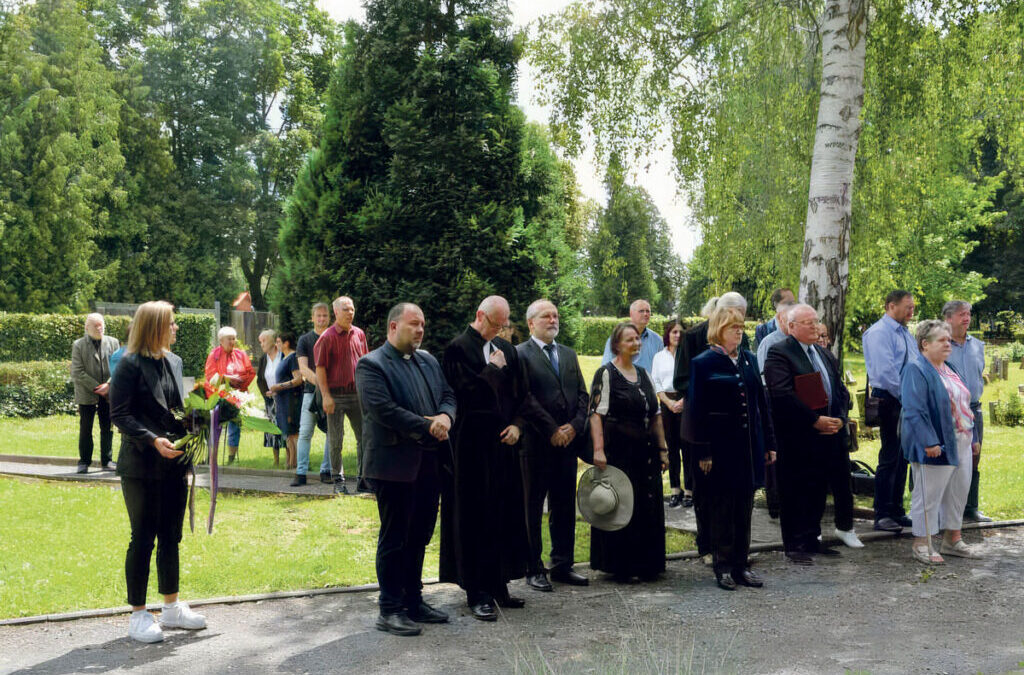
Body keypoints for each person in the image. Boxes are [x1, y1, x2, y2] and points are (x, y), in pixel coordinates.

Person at [440, 296, 546, 621]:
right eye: (495, 323)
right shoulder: (458, 349)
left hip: (504, 447)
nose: (500, 330)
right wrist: (491, 369)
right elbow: (464, 395)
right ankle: (477, 591)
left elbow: (522, 395)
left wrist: (517, 426)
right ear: (480, 316)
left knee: (504, 514)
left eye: (504, 324)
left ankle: (500, 585)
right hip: (472, 449)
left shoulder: (508, 350)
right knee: (475, 518)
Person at [355, 303, 457, 636]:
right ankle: (390, 608)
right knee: (395, 538)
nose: (420, 330)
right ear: (393, 327)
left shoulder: (427, 360)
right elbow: (383, 410)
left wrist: (445, 418)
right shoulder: (371, 365)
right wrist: (428, 426)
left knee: (420, 535)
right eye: (414, 324)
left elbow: (447, 394)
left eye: (423, 325)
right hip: (393, 465)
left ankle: (414, 600)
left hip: (429, 462)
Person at [109, 301, 206, 643]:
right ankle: (137, 614)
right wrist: (153, 441)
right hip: (141, 466)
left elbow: (174, 412)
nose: (176, 328)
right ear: (155, 326)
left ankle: (171, 606)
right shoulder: (128, 364)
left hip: (174, 464)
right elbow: (120, 414)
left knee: (171, 536)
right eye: (172, 323)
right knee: (143, 538)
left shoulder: (174, 362)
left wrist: (207, 417)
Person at [689, 306, 775, 590]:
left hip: (748, 449)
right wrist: (703, 451)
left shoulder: (749, 360)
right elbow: (696, 410)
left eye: (740, 327)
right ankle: (722, 566)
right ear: (718, 330)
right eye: (732, 327)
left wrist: (769, 444)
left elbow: (761, 406)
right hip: (720, 449)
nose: (739, 332)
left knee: (744, 509)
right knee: (722, 510)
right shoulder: (703, 363)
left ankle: (741, 565)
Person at [764, 304, 857, 565]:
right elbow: (782, 394)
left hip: (829, 433)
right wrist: (814, 420)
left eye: (816, 322)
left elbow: (839, 390)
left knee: (818, 488)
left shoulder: (823, 354)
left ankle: (812, 538)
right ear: (791, 327)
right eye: (808, 323)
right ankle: (794, 544)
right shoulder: (780, 352)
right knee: (796, 489)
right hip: (798, 436)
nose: (815, 327)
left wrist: (839, 418)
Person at [517, 300, 591, 592]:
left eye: (556, 315)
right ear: (531, 323)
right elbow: (524, 397)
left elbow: (583, 395)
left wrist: (574, 426)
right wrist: (551, 429)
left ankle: (562, 564)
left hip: (567, 445)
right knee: (532, 508)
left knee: (563, 506)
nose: (553, 319)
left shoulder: (569, 355)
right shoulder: (520, 355)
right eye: (546, 316)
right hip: (536, 445)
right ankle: (532, 568)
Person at [673, 291, 751, 562]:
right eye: (735, 317)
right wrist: (709, 394)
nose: (739, 324)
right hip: (701, 425)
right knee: (704, 491)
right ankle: (706, 546)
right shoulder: (694, 337)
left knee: (733, 495)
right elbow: (681, 380)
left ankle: (731, 549)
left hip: (733, 430)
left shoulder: (742, 338)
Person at [588, 322, 669, 581]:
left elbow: (656, 416)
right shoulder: (606, 373)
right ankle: (621, 566)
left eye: (637, 339)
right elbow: (595, 416)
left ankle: (648, 564)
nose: (635, 343)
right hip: (619, 452)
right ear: (617, 345)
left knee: (648, 505)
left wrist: (663, 449)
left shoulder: (644, 374)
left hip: (645, 451)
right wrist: (598, 450)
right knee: (624, 506)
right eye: (629, 340)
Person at [900, 320, 980, 563]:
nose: (949, 344)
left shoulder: (949, 367)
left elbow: (965, 404)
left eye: (949, 340)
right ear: (925, 344)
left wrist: (974, 437)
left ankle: (952, 539)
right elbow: (914, 409)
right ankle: (921, 543)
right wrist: (929, 441)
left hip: (962, 440)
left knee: (958, 491)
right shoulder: (916, 368)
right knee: (928, 494)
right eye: (942, 340)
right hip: (936, 443)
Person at [862, 290, 917, 532]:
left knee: (903, 457)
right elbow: (886, 373)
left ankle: (896, 509)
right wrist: (908, 397)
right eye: (907, 307)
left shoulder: (904, 332)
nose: (911, 311)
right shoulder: (879, 333)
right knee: (890, 456)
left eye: (913, 307)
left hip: (905, 398)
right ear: (890, 306)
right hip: (891, 399)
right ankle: (882, 512)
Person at [314, 296, 369, 494]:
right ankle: (339, 482)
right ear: (336, 312)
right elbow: (320, 369)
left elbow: (365, 364)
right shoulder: (326, 338)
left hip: (357, 395)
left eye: (352, 309)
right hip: (335, 396)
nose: (350, 313)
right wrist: (326, 396)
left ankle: (363, 480)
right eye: (345, 309)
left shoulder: (360, 334)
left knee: (364, 436)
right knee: (336, 440)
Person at [943, 300, 991, 523]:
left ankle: (970, 508)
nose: (967, 318)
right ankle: (942, 511)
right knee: (946, 459)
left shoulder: (977, 345)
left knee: (974, 457)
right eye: (962, 314)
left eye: (969, 314)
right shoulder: (940, 344)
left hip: (974, 409)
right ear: (948, 318)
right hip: (948, 410)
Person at [71, 313, 121, 473]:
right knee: (86, 428)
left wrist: (108, 385)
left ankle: (107, 461)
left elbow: (118, 368)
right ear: (87, 328)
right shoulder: (78, 345)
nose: (100, 328)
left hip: (108, 394)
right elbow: (77, 372)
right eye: (96, 325)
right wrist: (98, 387)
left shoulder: (113, 343)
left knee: (108, 428)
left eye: (102, 325)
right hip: (87, 394)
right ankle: (84, 462)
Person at [204, 326, 256, 464]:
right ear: (221, 340)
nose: (233, 341)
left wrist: (240, 384)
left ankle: (231, 459)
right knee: (215, 427)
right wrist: (226, 378)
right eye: (229, 339)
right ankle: (211, 458)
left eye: (234, 338)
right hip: (218, 396)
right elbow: (210, 376)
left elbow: (250, 372)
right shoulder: (214, 355)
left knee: (235, 428)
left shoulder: (241, 354)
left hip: (237, 396)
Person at [652, 319, 688, 509]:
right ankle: (675, 489)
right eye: (674, 332)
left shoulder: (688, 355)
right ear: (668, 334)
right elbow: (656, 382)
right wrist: (668, 402)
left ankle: (690, 490)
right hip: (667, 403)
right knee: (672, 448)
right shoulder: (659, 357)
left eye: (681, 332)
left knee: (687, 447)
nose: (677, 335)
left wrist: (682, 401)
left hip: (685, 402)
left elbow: (692, 380)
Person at [296, 302, 332, 484]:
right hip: (310, 393)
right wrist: (321, 383)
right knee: (305, 432)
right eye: (318, 315)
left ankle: (327, 471)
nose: (321, 319)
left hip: (332, 395)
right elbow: (303, 368)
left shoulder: (334, 338)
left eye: (325, 316)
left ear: (329, 318)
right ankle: (301, 473)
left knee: (332, 433)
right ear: (312, 318)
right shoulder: (305, 340)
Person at [271, 331, 303, 475]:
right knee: (286, 433)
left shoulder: (293, 358)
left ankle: (294, 463)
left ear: (286, 343)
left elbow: (298, 379)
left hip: (291, 400)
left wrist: (280, 386)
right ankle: (289, 462)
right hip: (282, 401)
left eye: (278, 342)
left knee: (292, 432)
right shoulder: (284, 358)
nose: (276, 345)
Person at [601, 299, 662, 371]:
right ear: (631, 314)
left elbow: (661, 369)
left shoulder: (657, 340)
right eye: (641, 311)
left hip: (650, 381)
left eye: (648, 311)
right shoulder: (617, 338)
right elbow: (607, 368)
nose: (645, 314)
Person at [255, 329, 283, 467]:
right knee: (272, 429)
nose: (262, 344)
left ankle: (291, 459)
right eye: (260, 342)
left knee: (286, 428)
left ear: (273, 340)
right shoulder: (263, 359)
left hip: (284, 397)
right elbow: (259, 379)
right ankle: (276, 460)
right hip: (270, 400)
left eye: (264, 341)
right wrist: (266, 393)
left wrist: (281, 389)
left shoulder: (283, 356)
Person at [756, 300, 796, 375]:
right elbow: (763, 374)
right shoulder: (768, 342)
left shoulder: (799, 339)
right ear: (780, 319)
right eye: (789, 318)